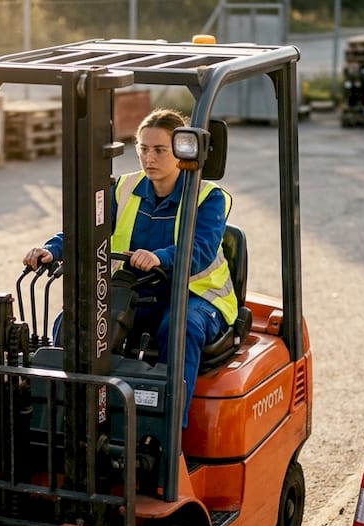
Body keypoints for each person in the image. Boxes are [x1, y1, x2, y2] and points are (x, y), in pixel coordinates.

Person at [23, 108, 236, 428]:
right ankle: (64, 416)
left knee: (180, 328)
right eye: (143, 149)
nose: (149, 158)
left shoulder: (207, 197)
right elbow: (84, 227)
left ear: (180, 150)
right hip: (135, 294)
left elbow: (201, 251)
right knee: (70, 321)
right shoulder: (123, 189)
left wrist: (160, 257)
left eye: (159, 150)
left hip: (195, 297)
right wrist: (52, 250)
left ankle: (169, 429)